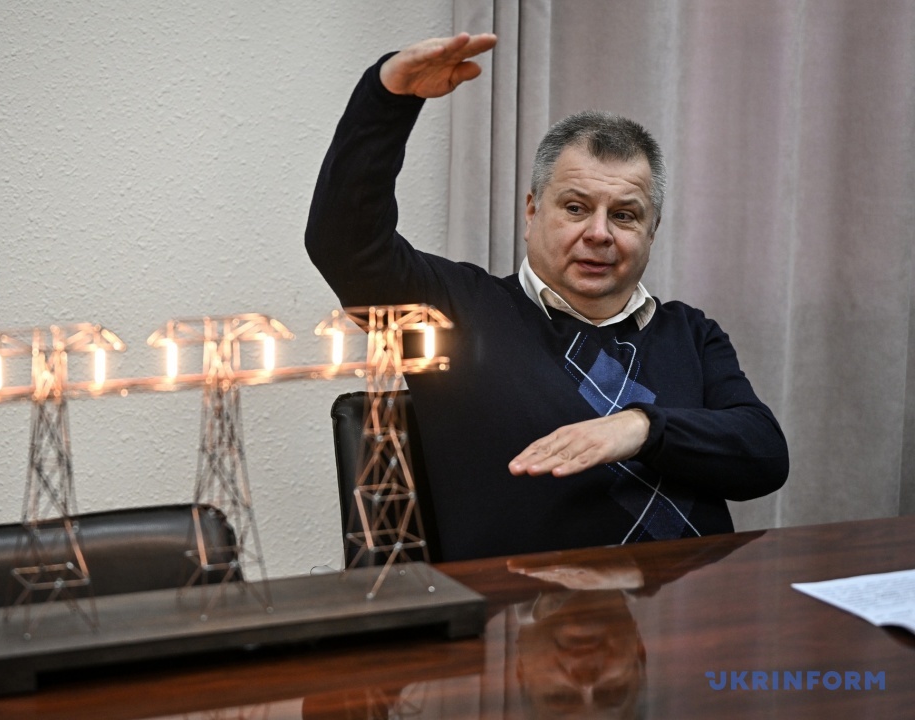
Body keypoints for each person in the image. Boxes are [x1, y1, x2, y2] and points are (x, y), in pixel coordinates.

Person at [305, 33, 788, 562]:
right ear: (532, 211)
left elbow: (764, 454)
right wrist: (387, 99)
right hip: (529, 606)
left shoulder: (690, 333)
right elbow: (345, 244)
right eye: (575, 208)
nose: (599, 233)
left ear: (652, 231)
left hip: (692, 605)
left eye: (624, 215)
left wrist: (642, 428)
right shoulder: (452, 313)